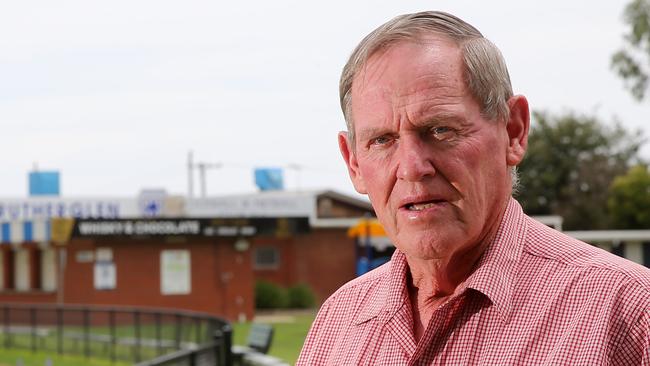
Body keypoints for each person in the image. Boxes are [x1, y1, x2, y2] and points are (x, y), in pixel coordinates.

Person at [297, 10, 650, 365]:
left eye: (440, 130)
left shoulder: (628, 312)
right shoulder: (336, 324)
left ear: (514, 131)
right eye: (383, 140)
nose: (412, 168)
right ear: (353, 163)